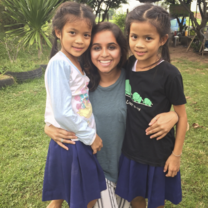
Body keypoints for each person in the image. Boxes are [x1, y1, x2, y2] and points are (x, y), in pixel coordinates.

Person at [44, 21, 179, 208]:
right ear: (88, 52)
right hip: (98, 173)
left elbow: (157, 106)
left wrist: (174, 116)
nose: (104, 54)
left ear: (122, 50)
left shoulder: (134, 78)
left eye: (112, 47)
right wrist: (49, 127)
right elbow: (61, 110)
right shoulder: (82, 86)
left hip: (129, 172)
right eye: (96, 47)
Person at [115, 4, 187, 208]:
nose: (139, 44)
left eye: (148, 38)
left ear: (163, 40)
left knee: (156, 201)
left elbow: (182, 116)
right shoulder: (128, 65)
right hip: (131, 151)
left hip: (159, 154)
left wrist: (176, 155)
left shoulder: (170, 74)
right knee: (135, 197)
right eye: (134, 36)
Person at [42, 2, 106, 208]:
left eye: (86, 35)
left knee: (60, 196)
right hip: (75, 141)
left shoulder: (76, 61)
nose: (80, 40)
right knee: (87, 197)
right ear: (58, 32)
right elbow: (61, 111)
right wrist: (91, 136)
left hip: (74, 139)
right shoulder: (59, 63)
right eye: (72, 32)